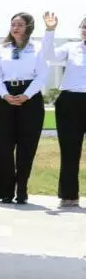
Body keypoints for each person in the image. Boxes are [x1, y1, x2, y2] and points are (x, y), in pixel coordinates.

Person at [0, 12, 48, 205]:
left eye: (20, 24)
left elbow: (42, 76)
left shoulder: (38, 48)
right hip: (4, 96)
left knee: (26, 146)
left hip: (30, 97)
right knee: (2, 146)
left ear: (29, 27)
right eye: (13, 24)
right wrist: (5, 95)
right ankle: (5, 190)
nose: (15, 28)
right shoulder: (1, 48)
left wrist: (26, 95)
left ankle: (22, 189)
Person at [42, 11, 86, 208]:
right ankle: (69, 195)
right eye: (84, 27)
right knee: (69, 151)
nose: (85, 30)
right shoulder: (71, 47)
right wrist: (50, 31)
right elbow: (49, 56)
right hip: (70, 101)